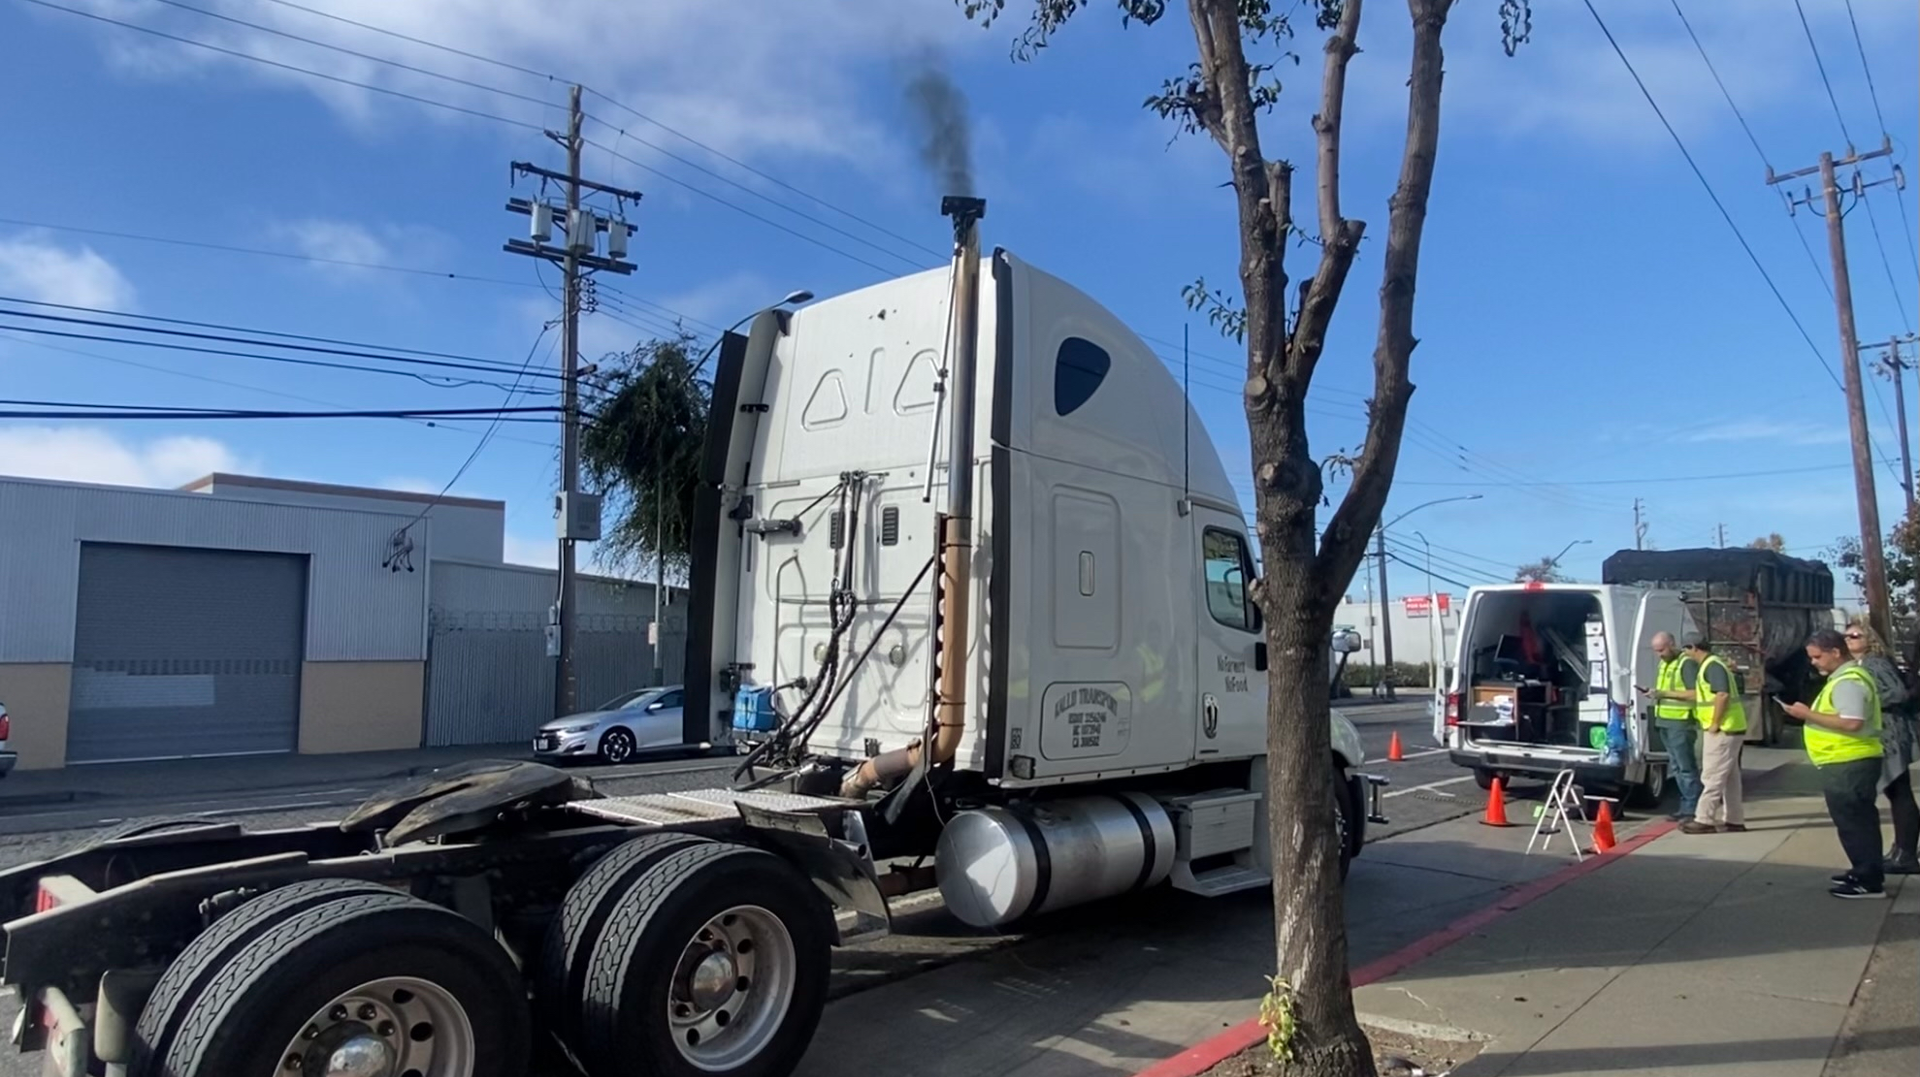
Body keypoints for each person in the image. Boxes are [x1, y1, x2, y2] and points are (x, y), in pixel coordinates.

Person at [1783, 629, 1886, 898]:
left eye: (1817, 656)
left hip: (1849, 761)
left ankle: (1868, 880)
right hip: (1848, 760)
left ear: (1835, 652)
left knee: (1854, 823)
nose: (1813, 662)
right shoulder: (1845, 679)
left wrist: (1807, 714)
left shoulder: (1848, 682)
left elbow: (1852, 722)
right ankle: (1864, 869)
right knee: (1857, 821)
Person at [1844, 619, 1919, 874]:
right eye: (1847, 636)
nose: (1849, 640)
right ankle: (1901, 850)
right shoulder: (1862, 664)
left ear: (1869, 639)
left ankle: (1906, 853)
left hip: (1892, 734)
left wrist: (1867, 702)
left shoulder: (1875, 662)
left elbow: (1898, 693)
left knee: (1900, 792)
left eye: (1855, 636)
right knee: (1896, 792)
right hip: (1885, 733)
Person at [1680, 633, 1746, 835]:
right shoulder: (1713, 664)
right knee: (1729, 777)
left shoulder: (1712, 666)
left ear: (1694, 647)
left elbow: (1722, 694)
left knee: (1712, 776)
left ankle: (1704, 819)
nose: (1685, 653)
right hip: (1731, 726)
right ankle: (1734, 820)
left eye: (1686, 649)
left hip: (1723, 728)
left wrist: (1715, 723)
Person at [1638, 631, 1702, 822]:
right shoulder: (1665, 663)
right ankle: (1685, 808)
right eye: (1656, 651)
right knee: (1676, 765)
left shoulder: (1686, 663)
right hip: (1664, 720)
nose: (1659, 654)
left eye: (1662, 649)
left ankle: (1692, 810)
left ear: (1672, 644)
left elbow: (1695, 694)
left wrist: (1663, 693)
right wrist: (1654, 693)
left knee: (1685, 767)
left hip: (1681, 722)